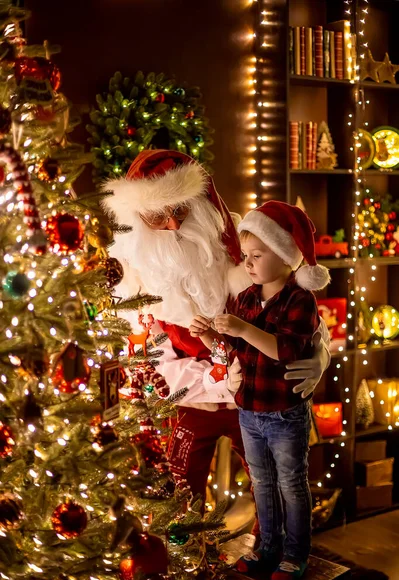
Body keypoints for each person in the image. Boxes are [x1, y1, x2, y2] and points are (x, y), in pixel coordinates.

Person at [101, 149, 330, 511]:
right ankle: (185, 558)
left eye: (181, 210)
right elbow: (151, 366)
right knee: (179, 493)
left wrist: (319, 350)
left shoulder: (240, 250)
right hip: (193, 405)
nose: (174, 225)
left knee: (276, 489)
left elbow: (293, 305)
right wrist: (215, 379)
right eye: (158, 215)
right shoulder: (135, 284)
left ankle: (275, 551)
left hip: (258, 402)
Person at [190, 201, 330, 580]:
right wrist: (208, 335)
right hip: (249, 411)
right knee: (263, 483)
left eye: (257, 255)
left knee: (291, 484)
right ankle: (267, 546)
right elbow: (234, 352)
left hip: (284, 413)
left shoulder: (300, 300)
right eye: (246, 256)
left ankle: (295, 553)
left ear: (286, 257)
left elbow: (286, 350)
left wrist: (243, 329)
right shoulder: (247, 297)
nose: (248, 263)